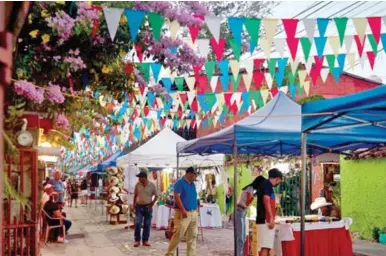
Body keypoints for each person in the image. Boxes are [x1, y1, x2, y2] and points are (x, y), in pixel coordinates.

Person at [165, 167, 199, 256]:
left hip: (193, 213)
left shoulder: (193, 184)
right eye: (195, 175)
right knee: (178, 235)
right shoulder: (180, 183)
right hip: (182, 213)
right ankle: (169, 254)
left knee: (192, 237)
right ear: (189, 174)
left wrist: (196, 210)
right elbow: (177, 197)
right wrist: (183, 210)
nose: (196, 177)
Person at [236, 175, 266, 256]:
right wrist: (254, 196)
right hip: (240, 211)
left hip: (242, 211)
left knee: (242, 238)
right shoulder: (250, 188)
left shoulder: (250, 188)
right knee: (240, 238)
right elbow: (247, 202)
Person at [256, 168, 283, 256]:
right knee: (265, 246)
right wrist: (271, 217)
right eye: (279, 181)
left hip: (263, 219)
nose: (278, 183)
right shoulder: (267, 185)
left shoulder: (266, 185)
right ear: (277, 178)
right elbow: (266, 200)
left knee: (266, 246)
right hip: (265, 219)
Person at [133, 170, 158, 247]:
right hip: (139, 206)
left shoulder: (152, 185)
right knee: (138, 223)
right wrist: (134, 204)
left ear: (144, 178)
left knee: (147, 224)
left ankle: (145, 240)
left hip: (148, 207)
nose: (138, 179)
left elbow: (156, 196)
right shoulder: (137, 185)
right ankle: (137, 240)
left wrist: (152, 204)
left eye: (140, 178)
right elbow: (135, 195)